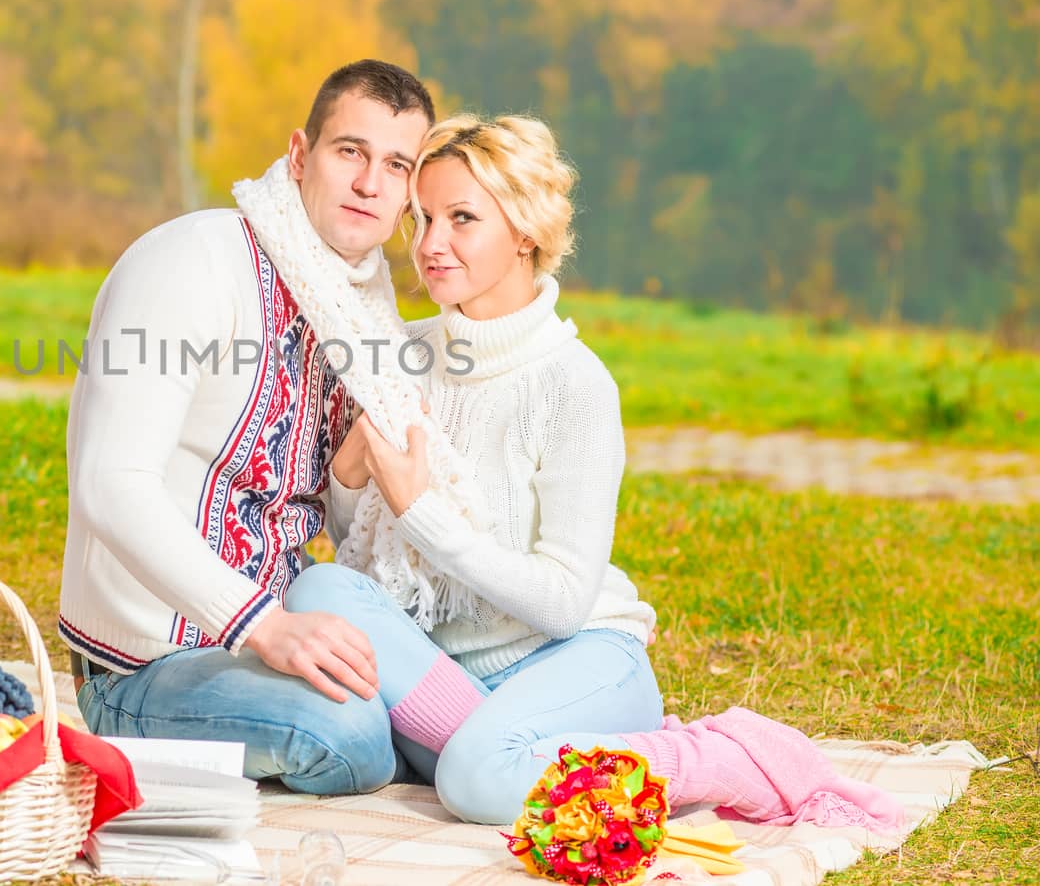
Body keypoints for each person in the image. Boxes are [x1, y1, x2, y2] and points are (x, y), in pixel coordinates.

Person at [286, 114, 904, 833]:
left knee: (477, 783)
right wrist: (350, 475)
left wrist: (422, 508)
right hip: (451, 670)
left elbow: (561, 605)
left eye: (462, 218)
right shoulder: (406, 353)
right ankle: (500, 749)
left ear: (524, 231)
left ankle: (707, 758)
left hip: (575, 658)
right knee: (317, 588)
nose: (430, 244)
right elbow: (362, 549)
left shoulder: (573, 385)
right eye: (422, 218)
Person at [57, 59, 434, 794]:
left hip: (288, 625)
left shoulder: (364, 316)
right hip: (148, 662)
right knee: (355, 736)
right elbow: (110, 484)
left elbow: (341, 524)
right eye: (349, 152)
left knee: (453, 707)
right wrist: (263, 626)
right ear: (299, 155)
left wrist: (361, 472)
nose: (369, 184)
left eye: (396, 166)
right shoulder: (192, 261)